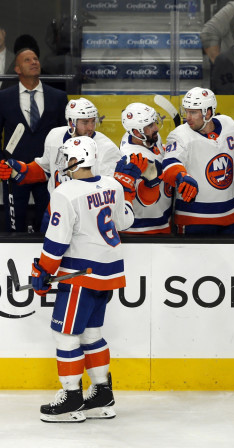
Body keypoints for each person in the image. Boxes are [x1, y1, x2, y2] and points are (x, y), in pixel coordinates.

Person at [33, 137, 134, 422]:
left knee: (64, 334)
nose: (65, 163)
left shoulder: (65, 192)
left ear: (77, 160)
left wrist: (42, 271)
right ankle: (102, 393)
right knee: (91, 335)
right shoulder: (113, 185)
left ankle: (71, 398)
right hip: (109, 272)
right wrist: (126, 189)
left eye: (68, 158)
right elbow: (126, 222)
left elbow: (56, 241)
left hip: (81, 275)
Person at [1, 97, 118, 233]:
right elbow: (45, 168)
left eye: (93, 121)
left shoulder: (107, 148)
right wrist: (20, 170)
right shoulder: (55, 136)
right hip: (54, 212)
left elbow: (113, 193)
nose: (91, 127)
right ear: (71, 122)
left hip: (87, 218)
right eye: (85, 122)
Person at [162, 87, 234, 234]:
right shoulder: (179, 135)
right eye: (186, 111)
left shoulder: (229, 125)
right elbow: (170, 164)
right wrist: (182, 176)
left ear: (208, 112)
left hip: (231, 217)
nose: (187, 117)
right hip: (194, 219)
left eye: (193, 112)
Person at [0, 48, 68, 232]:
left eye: (36, 59)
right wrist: (2, 162)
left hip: (48, 169)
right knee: (14, 223)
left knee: (49, 221)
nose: (34, 62)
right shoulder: (3, 98)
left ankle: (45, 257)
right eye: (27, 60)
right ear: (17, 69)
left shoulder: (58, 97)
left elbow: (66, 135)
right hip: (15, 170)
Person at [118, 102, 171, 234]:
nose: (156, 128)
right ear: (137, 132)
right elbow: (146, 201)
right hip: (145, 227)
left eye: (154, 122)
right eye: (150, 125)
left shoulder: (142, 138)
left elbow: (158, 151)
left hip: (163, 215)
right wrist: (151, 183)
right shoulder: (134, 158)